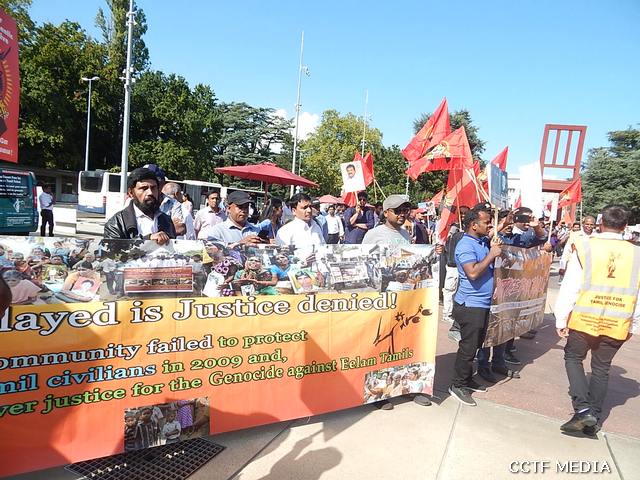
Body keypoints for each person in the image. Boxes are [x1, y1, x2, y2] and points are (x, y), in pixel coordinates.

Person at [555, 205, 639, 437]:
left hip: (585, 319)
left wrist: (561, 317)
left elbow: (571, 285)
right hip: (617, 321)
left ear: (601, 223)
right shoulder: (637, 254)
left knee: (573, 358)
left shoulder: (585, 246)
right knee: (601, 368)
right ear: (625, 226)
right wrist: (634, 324)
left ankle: (583, 409)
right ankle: (594, 419)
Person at [362, 193, 432, 409]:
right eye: (398, 210)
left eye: (405, 210)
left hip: (405, 300)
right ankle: (379, 393)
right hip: (383, 299)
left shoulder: (405, 234)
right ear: (386, 213)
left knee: (405, 343)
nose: (403, 214)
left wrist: (432, 253)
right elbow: (365, 263)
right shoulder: (374, 235)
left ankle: (408, 386)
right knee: (381, 345)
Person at [448, 206, 503, 407]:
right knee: (468, 347)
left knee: (477, 345)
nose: (489, 226)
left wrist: (492, 249)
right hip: (470, 305)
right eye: (486, 222)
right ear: (473, 225)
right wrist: (491, 255)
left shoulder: (481, 242)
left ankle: (467, 378)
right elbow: (472, 273)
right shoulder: (465, 245)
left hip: (483, 304)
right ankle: (457, 384)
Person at [104, 167, 176, 244]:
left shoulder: (166, 221)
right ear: (130, 193)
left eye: (153, 188)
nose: (150, 193)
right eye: (144, 188)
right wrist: (147, 240)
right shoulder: (116, 223)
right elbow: (114, 250)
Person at [442, 206, 471, 341]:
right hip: (452, 264)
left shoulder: (467, 230)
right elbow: (446, 242)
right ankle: (447, 313)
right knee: (450, 289)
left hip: (463, 266)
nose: (463, 216)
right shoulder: (454, 228)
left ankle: (455, 313)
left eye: (466, 214)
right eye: (461, 214)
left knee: (459, 290)